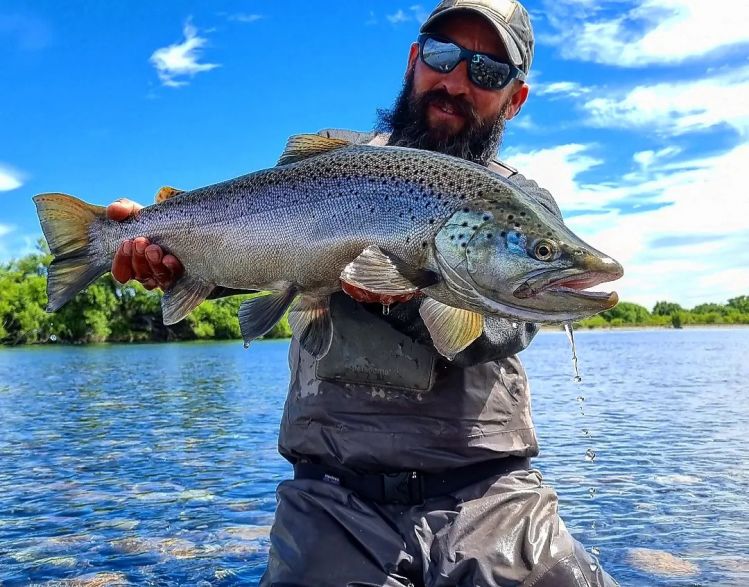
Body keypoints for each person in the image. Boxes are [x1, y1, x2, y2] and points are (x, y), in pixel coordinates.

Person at [108, 1, 618, 584]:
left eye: (488, 71)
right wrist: (169, 260)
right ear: (414, 60)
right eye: (443, 55)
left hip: (490, 490)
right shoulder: (333, 158)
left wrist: (406, 294)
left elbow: (503, 328)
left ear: (515, 98)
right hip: (331, 497)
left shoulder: (526, 208)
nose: (455, 80)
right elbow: (255, 246)